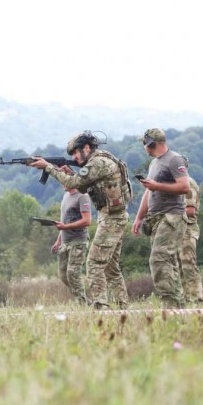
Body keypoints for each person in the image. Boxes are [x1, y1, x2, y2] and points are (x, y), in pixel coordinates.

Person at [29, 131, 131, 310]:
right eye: (72, 155)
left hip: (112, 219)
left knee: (94, 263)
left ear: (86, 148)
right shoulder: (99, 161)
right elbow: (81, 185)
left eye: (76, 152)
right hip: (112, 216)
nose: (75, 157)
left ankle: (101, 306)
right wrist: (68, 173)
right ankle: (122, 306)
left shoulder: (97, 162)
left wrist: (48, 167)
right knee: (111, 267)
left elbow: (76, 183)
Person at [132, 128, 190, 309]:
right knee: (168, 262)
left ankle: (170, 305)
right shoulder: (154, 164)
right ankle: (178, 307)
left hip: (171, 217)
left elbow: (184, 187)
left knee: (159, 259)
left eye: (144, 143)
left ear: (151, 143)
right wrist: (139, 217)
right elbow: (149, 192)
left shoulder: (174, 159)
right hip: (156, 218)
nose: (144, 147)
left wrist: (156, 185)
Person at [51, 186, 92, 304]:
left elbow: (87, 221)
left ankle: (82, 303)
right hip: (65, 241)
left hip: (78, 241)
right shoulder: (66, 196)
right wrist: (58, 240)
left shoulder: (82, 196)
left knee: (73, 273)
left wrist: (65, 227)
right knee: (63, 275)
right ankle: (84, 300)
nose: (62, 183)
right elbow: (63, 220)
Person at [179, 157, 203, 303]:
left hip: (187, 228)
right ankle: (185, 297)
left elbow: (190, 210)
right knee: (179, 265)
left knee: (188, 263)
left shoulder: (188, 184)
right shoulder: (180, 183)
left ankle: (196, 297)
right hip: (179, 229)